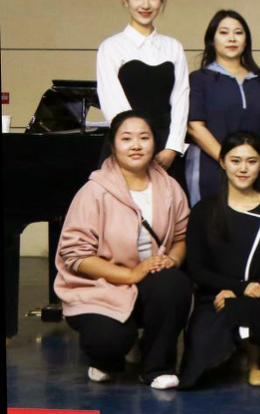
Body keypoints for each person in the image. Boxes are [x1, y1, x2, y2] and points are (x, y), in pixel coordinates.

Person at [54, 111, 192, 389]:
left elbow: (182, 237)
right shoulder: (94, 191)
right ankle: (105, 360)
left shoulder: (169, 187)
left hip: (150, 283)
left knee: (174, 283)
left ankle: (157, 368)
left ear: (154, 143)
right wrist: (130, 275)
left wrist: (172, 260)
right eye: (126, 139)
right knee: (110, 341)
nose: (136, 145)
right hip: (100, 287)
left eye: (144, 138)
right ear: (113, 144)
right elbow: (76, 256)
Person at [179, 133, 260, 389]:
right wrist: (235, 288)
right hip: (216, 297)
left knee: (250, 309)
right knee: (195, 369)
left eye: (251, 161)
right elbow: (196, 268)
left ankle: (254, 363)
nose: (243, 168)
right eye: (235, 160)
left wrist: (250, 289)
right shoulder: (204, 210)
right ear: (222, 162)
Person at [95, 0, 189, 185]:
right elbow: (112, 104)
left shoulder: (173, 47)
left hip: (166, 151)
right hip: (126, 148)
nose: (145, 4)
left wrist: (173, 147)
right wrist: (136, 144)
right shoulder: (111, 47)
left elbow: (181, 99)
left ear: (162, 0)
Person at [186, 10, 260, 205]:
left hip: (256, 172)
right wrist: (230, 162)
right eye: (224, 32)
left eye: (238, 33)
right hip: (210, 168)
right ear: (212, 40)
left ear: (246, 41)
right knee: (211, 219)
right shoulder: (199, 79)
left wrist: (252, 162)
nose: (232, 38)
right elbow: (195, 127)